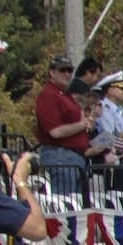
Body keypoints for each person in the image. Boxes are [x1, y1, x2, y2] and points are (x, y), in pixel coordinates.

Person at [34, 55, 93, 198]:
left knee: (77, 206)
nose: (67, 74)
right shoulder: (48, 95)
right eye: (62, 70)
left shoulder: (66, 95)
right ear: (52, 72)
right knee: (65, 205)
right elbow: (55, 132)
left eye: (69, 70)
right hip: (60, 156)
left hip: (76, 157)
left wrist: (87, 122)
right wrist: (81, 124)